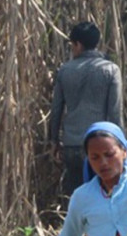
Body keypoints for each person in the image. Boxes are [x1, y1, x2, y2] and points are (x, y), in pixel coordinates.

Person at [48, 22, 123, 202]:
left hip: (71, 145)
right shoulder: (110, 70)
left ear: (78, 45)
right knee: (101, 197)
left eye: (72, 45)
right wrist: (120, 144)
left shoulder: (65, 71)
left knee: (76, 197)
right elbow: (115, 112)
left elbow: (56, 109)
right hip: (100, 148)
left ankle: (76, 229)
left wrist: (53, 141)